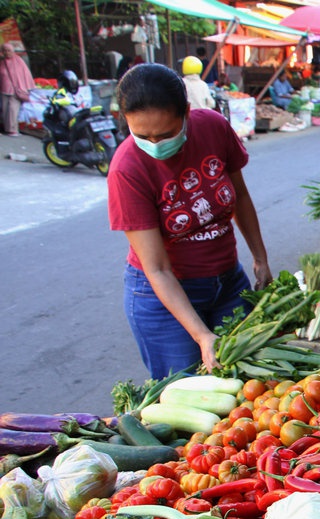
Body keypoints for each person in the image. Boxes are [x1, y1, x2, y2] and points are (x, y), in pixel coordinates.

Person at [107, 63, 272, 379]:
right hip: (165, 297)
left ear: (185, 112)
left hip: (228, 283)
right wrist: (201, 335)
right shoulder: (126, 169)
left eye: (167, 134)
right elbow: (157, 268)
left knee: (244, 386)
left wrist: (260, 258)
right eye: (143, 135)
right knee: (187, 394)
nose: (156, 145)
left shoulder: (212, 127)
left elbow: (240, 196)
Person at [1, 42, 34, 137]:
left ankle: (13, 130)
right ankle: (7, 129)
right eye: (5, 51)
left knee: (13, 110)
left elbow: (25, 75)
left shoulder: (18, 61)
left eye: (9, 51)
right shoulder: (2, 62)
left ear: (13, 51)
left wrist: (24, 87)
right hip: (4, 89)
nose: (7, 53)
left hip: (16, 90)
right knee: (5, 110)